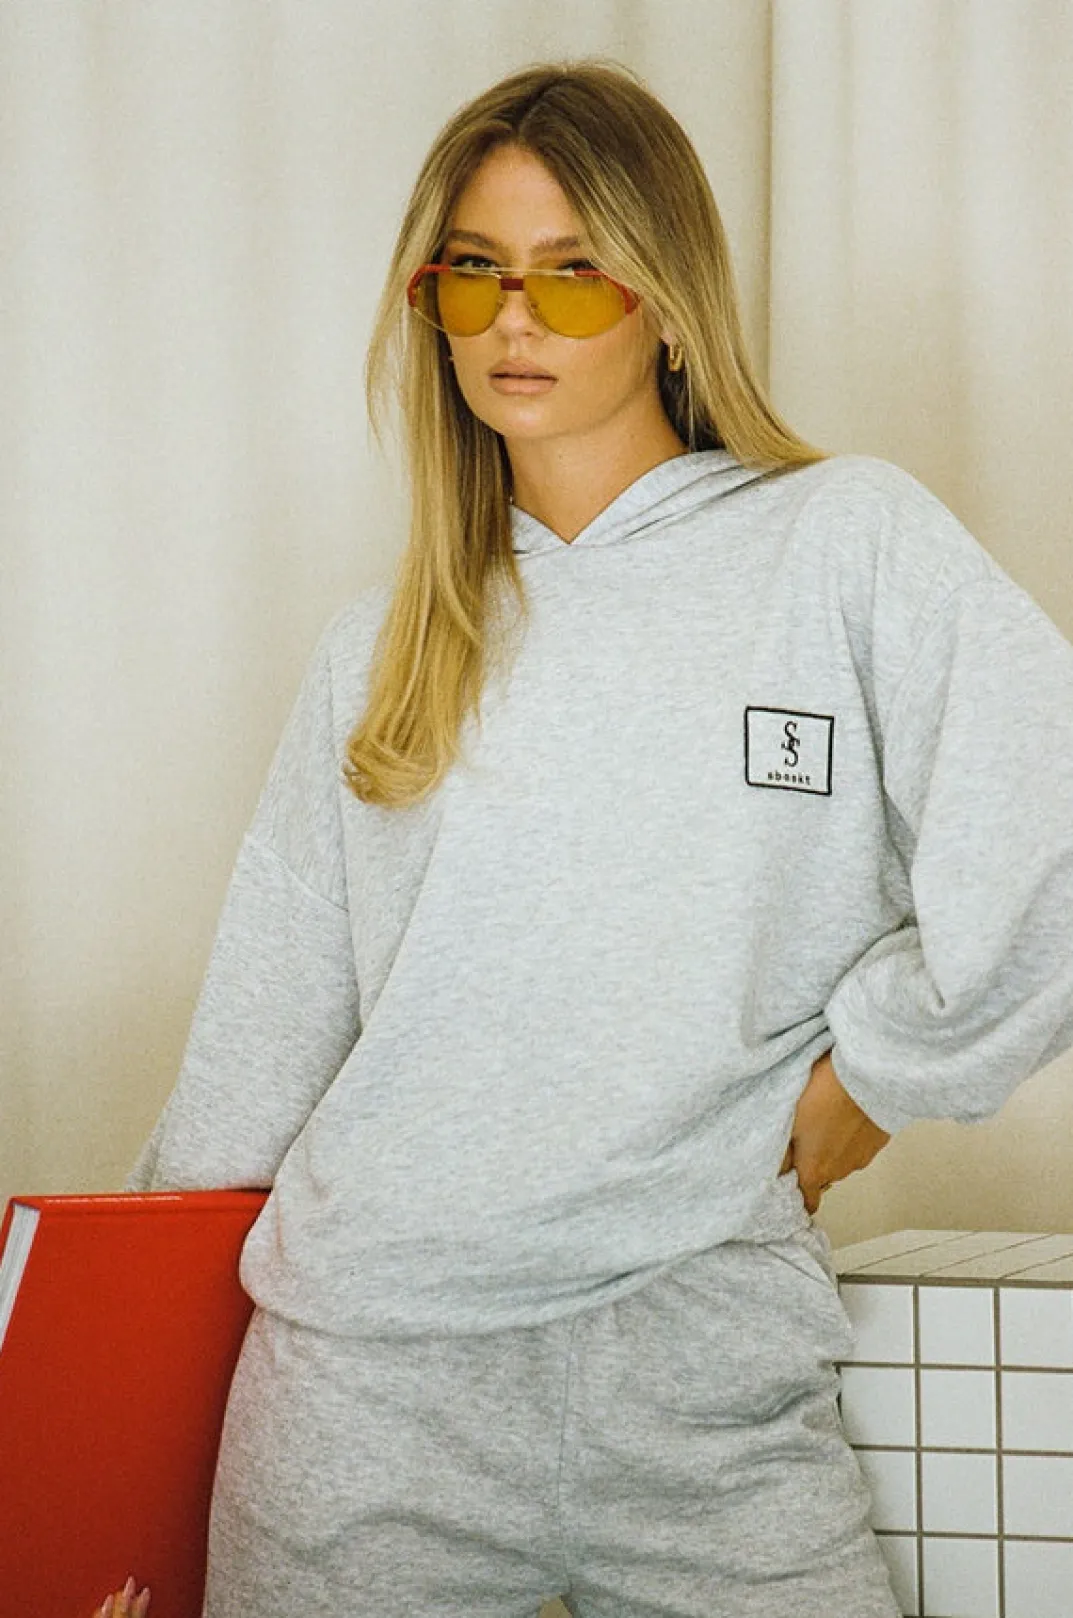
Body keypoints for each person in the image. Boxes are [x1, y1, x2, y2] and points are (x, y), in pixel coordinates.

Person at [112, 56, 1073, 1618]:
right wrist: (86, 1393)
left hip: (707, 1371)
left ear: (669, 304)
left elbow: (1051, 829)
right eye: (472, 273)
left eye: (571, 275)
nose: (514, 320)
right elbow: (256, 1054)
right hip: (368, 1394)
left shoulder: (840, 543)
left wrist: (886, 1070)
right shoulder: (381, 647)